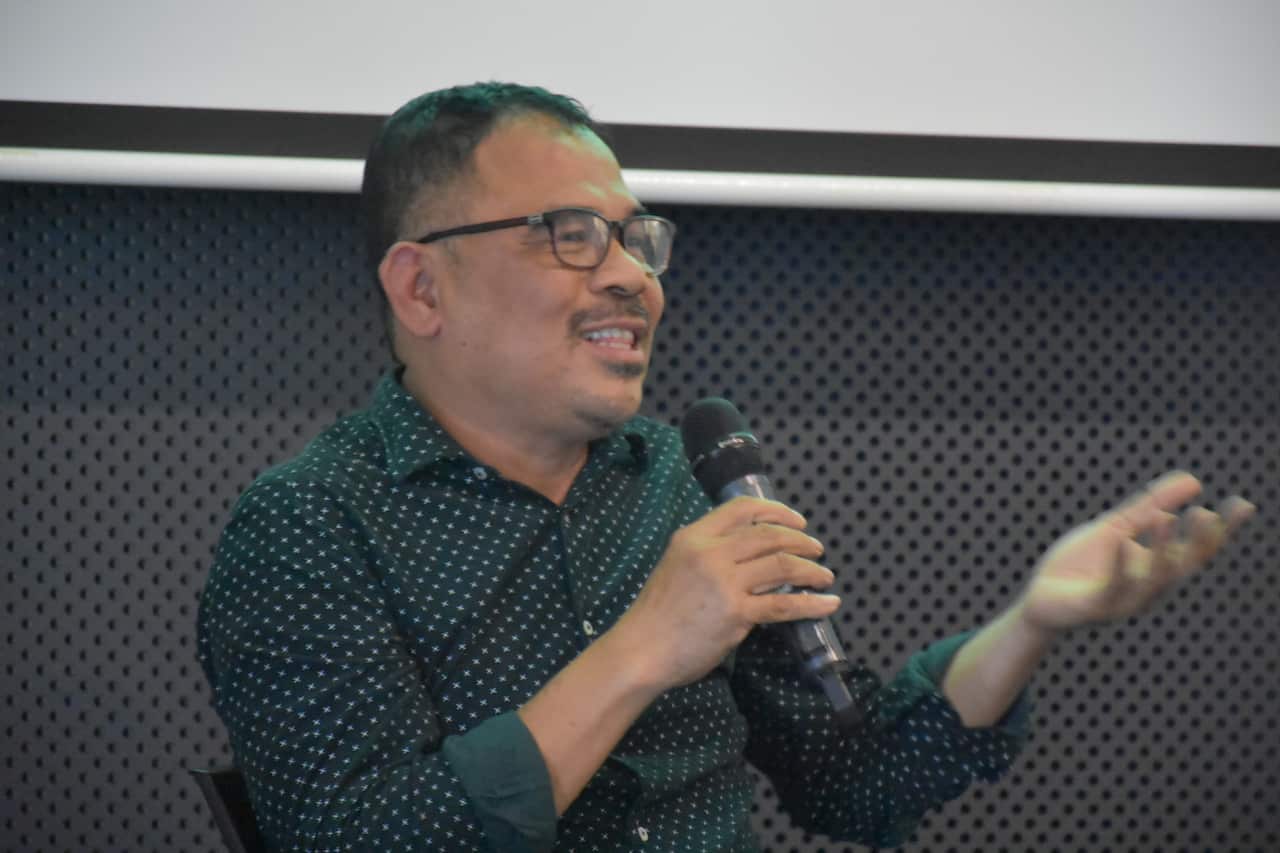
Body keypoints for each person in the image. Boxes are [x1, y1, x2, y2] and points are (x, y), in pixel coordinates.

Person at [196, 82, 1256, 852]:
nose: (630, 281)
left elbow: (852, 781)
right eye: (569, 236)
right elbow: (360, 842)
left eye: (634, 238)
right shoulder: (310, 523)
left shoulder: (669, 477)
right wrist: (644, 646)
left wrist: (1027, 622)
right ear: (420, 288)